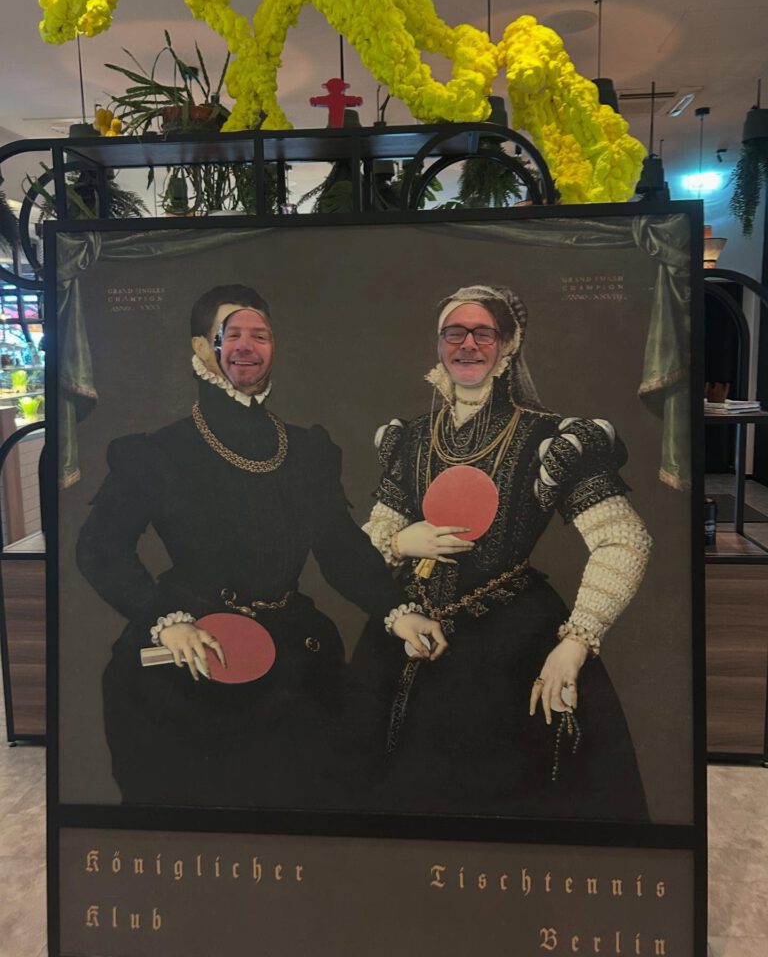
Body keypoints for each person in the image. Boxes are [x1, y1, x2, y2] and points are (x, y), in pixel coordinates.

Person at [77, 284, 411, 809]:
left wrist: (396, 611)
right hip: (191, 651)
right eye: (231, 334)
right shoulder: (158, 452)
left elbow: (340, 547)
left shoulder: (307, 450)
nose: (247, 347)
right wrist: (167, 620)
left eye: (260, 335)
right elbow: (100, 550)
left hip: (292, 651)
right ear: (200, 348)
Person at [353, 284, 652, 820]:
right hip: (406, 632)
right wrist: (399, 541)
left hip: (508, 645)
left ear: (509, 345)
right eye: (454, 333)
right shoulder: (411, 439)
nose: (467, 345)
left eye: (482, 333)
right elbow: (365, 546)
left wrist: (576, 643)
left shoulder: (550, 440)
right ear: (438, 344)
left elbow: (624, 539)